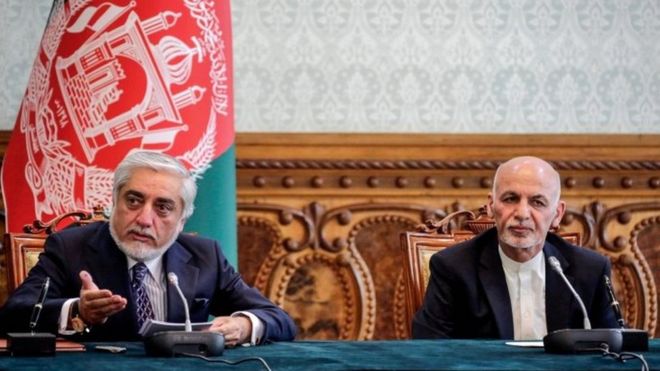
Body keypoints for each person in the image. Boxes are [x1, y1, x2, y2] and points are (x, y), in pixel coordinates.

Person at [0, 151, 296, 345]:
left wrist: (243, 325)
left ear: (181, 221)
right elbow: (14, 313)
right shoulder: (70, 247)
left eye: (163, 207)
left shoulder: (205, 256)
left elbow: (279, 320)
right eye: (133, 200)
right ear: (113, 203)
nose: (143, 219)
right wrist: (77, 311)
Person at [412, 156, 618, 340]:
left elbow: (614, 348)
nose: (522, 213)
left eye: (537, 202)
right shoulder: (453, 268)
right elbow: (430, 349)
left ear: (557, 213)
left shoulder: (590, 270)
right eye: (510, 199)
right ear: (491, 206)